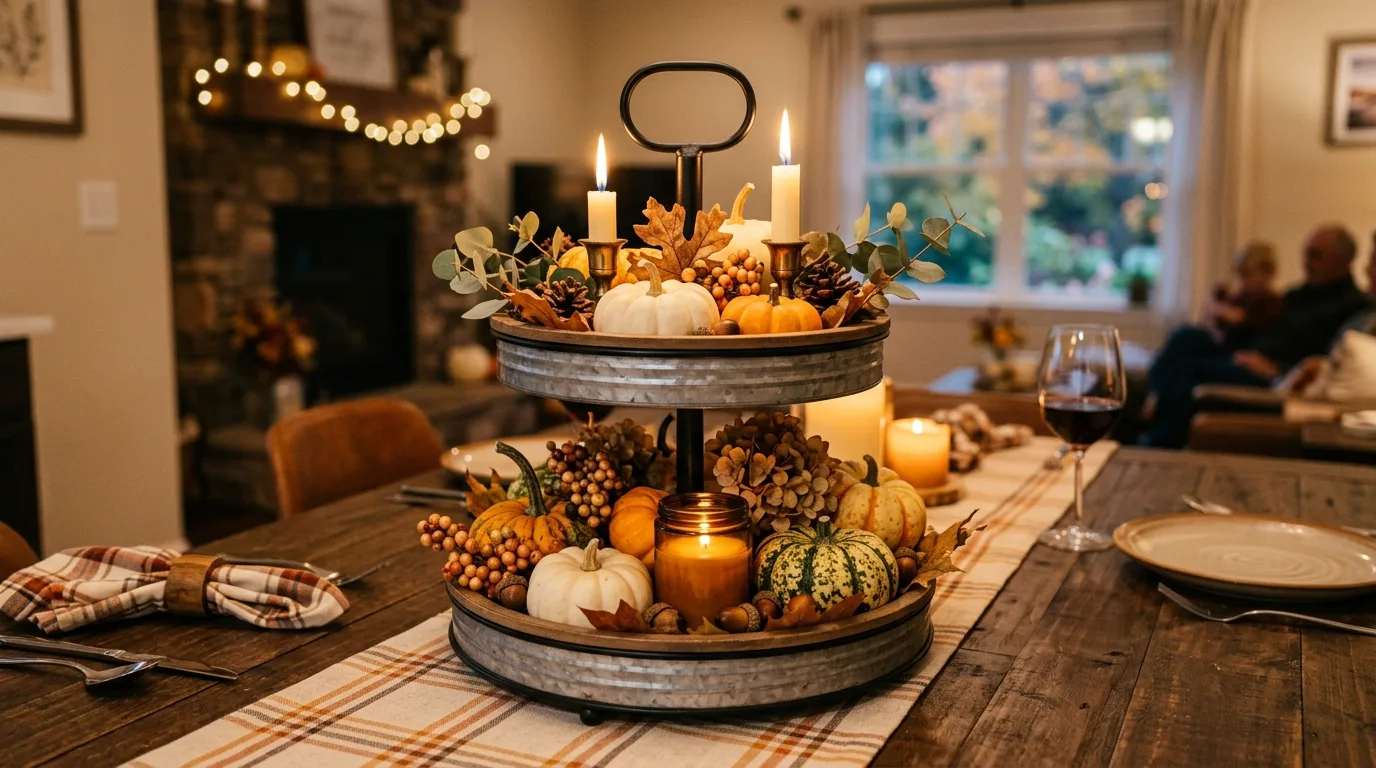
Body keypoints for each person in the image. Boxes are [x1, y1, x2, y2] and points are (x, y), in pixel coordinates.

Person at [1140, 225, 1369, 448]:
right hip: (1250, 353)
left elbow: (1325, 362)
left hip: (1273, 373)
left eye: (1315, 255)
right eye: (1306, 254)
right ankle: (1154, 399)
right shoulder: (1298, 295)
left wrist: (1278, 368)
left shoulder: (1353, 306)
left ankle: (1160, 439)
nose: (1306, 262)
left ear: (1343, 260)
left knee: (1192, 370)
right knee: (1186, 337)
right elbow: (1264, 326)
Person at [1208, 241, 1284, 349]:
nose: (1242, 282)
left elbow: (1246, 321)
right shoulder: (1240, 298)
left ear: (1266, 274)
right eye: (1240, 275)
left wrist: (1229, 314)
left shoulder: (1272, 303)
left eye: (1247, 275)